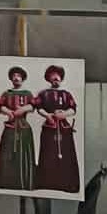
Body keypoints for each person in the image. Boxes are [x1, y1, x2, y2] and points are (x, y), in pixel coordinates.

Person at [33, 65, 81, 193]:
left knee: (66, 154)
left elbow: (73, 109)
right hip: (49, 126)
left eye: (58, 75)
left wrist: (64, 114)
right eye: (53, 75)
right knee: (48, 153)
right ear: (49, 78)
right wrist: (48, 116)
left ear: (61, 78)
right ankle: (47, 183)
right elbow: (39, 108)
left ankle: (67, 184)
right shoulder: (43, 93)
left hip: (64, 128)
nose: (56, 78)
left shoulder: (67, 94)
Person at [0, 66, 36, 190]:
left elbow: (33, 106)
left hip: (23, 127)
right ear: (11, 79)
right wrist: (9, 112)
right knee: (7, 153)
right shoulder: (6, 93)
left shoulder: (28, 93)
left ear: (22, 78)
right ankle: (7, 182)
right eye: (14, 76)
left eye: (18, 76)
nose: (16, 78)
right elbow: (0, 106)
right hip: (10, 126)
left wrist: (22, 109)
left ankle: (24, 182)